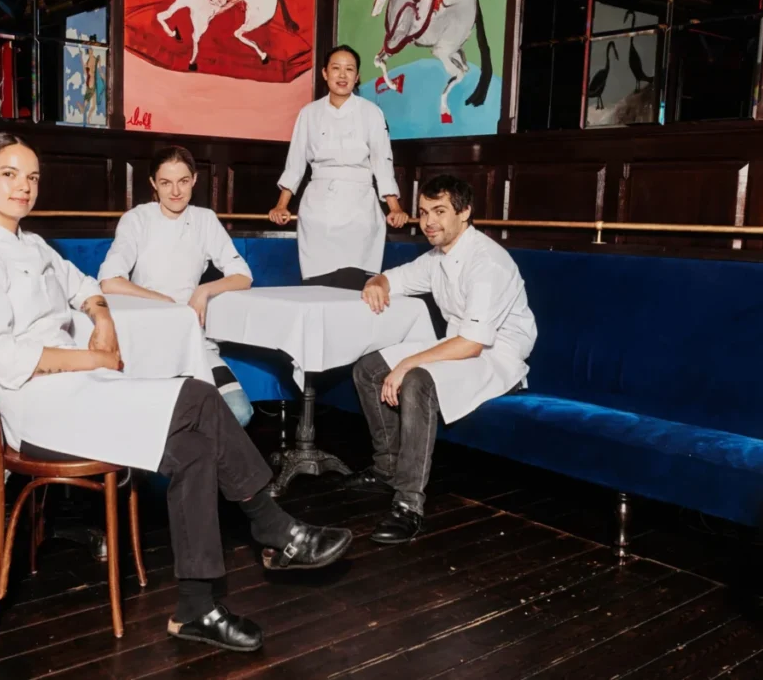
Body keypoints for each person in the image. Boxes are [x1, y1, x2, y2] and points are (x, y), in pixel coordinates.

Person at [0, 132, 352, 652]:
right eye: (9, 174)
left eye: (32, 177)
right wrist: (95, 358)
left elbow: (87, 285)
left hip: (78, 391)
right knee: (199, 396)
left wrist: (101, 317)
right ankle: (274, 528)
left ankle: (197, 608)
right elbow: (6, 359)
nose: (24, 186)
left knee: (194, 447)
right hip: (37, 409)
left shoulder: (32, 245)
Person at [347, 174, 537, 543]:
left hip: (497, 360)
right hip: (459, 348)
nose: (428, 222)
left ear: (465, 213)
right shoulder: (439, 256)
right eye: (422, 212)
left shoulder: (487, 263)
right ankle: (387, 467)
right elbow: (395, 278)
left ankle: (408, 505)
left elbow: (473, 344)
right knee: (368, 369)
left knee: (416, 379)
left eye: (439, 211)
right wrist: (376, 283)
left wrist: (407, 364)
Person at [98, 145, 254, 427]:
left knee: (238, 411)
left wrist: (204, 290)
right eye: (165, 183)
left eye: (183, 181)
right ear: (153, 183)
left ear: (194, 179)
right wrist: (164, 302)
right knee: (160, 420)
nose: (175, 192)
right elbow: (109, 281)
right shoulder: (137, 219)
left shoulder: (205, 219)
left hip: (194, 340)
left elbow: (243, 276)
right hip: (146, 338)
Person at [268, 44, 409, 290]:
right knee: (318, 285)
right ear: (325, 73)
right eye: (336, 68)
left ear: (357, 76)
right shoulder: (309, 113)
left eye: (349, 69)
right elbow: (295, 163)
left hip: (360, 209)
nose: (342, 75)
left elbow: (382, 163)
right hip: (318, 210)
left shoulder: (372, 113)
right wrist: (282, 205)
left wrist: (395, 208)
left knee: (355, 285)